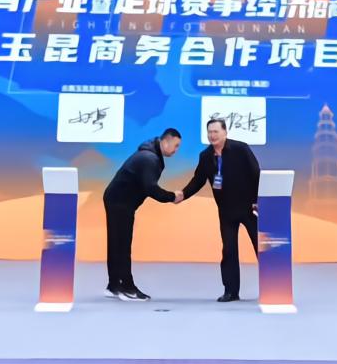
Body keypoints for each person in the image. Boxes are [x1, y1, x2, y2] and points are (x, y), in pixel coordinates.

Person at [179, 118, 260, 302]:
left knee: (261, 248)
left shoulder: (241, 149)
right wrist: (183, 194)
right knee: (229, 251)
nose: (212, 135)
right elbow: (198, 180)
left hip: (249, 208)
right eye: (210, 132)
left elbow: (256, 173)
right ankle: (231, 292)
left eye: (216, 131)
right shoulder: (205, 156)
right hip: (226, 211)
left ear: (225, 132)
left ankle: (273, 286)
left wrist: (257, 200)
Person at [103, 128, 183, 301]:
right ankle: (127, 288)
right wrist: (172, 197)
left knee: (117, 243)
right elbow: (151, 188)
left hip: (117, 199)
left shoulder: (149, 155)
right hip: (120, 202)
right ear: (166, 141)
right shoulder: (149, 158)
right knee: (122, 244)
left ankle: (114, 285)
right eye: (176, 146)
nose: (176, 150)